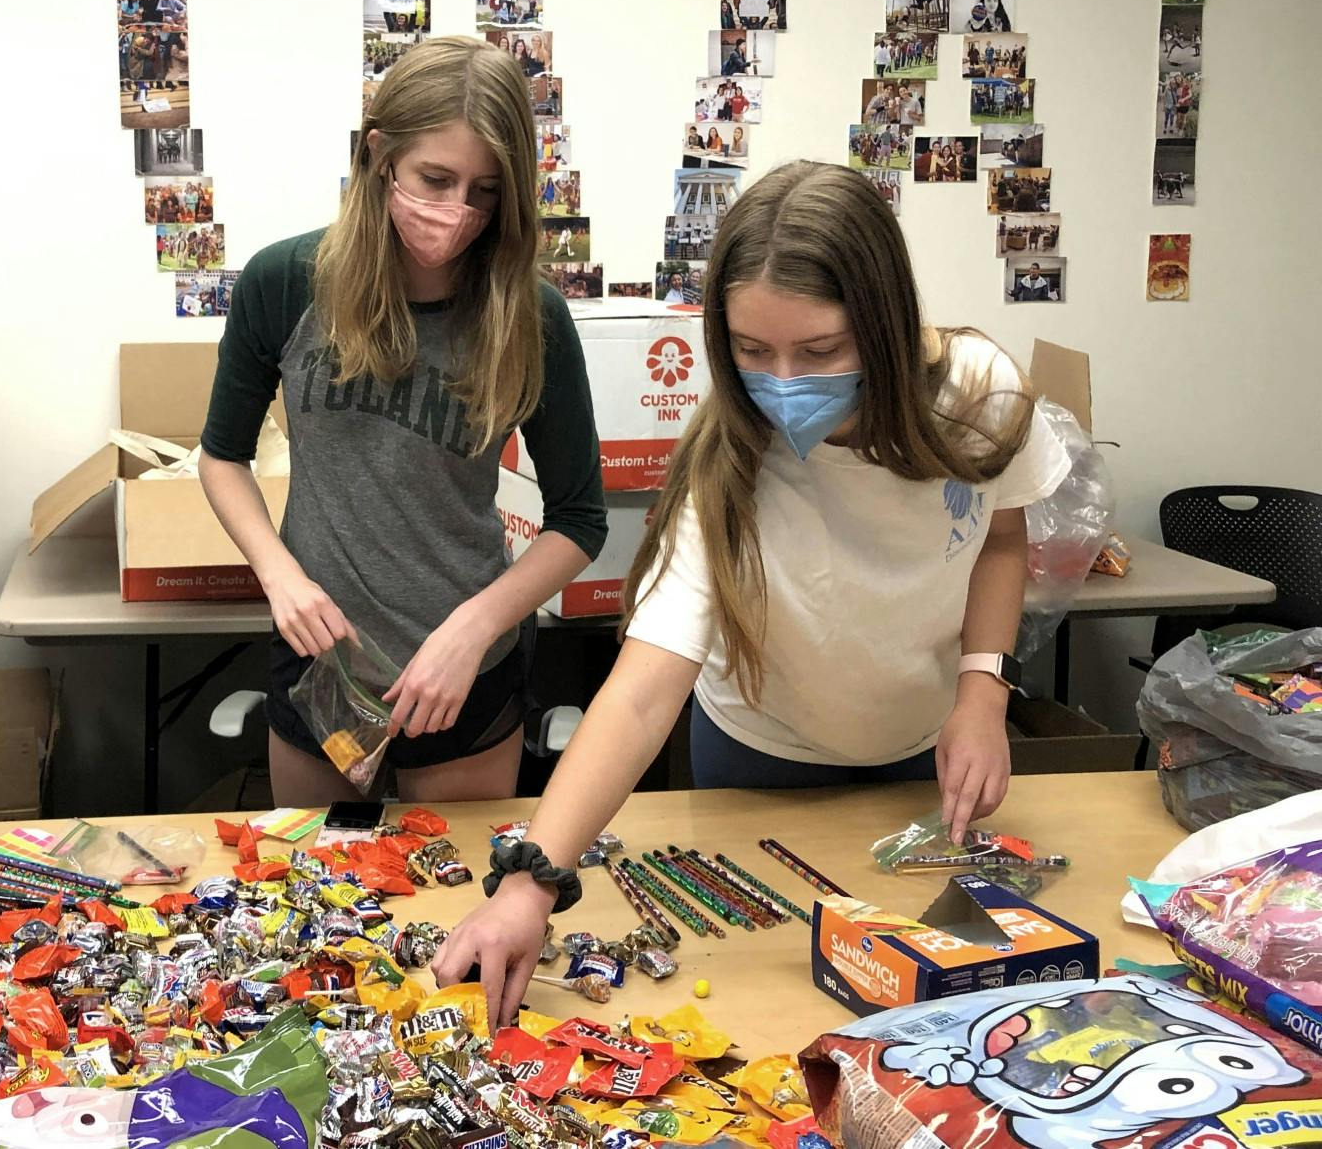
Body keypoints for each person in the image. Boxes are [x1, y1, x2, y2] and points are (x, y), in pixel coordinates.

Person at [431, 161, 1072, 1026]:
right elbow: (642, 690)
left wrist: (983, 689)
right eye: (753, 352)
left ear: (883, 323)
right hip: (760, 758)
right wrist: (529, 884)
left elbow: (1000, 537)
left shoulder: (979, 393)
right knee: (766, 998)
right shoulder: (729, 461)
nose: (785, 383)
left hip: (924, 750)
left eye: (821, 352)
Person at [197, 37, 607, 805]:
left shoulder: (531, 316)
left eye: (486, 191)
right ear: (380, 155)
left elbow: (580, 519)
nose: (458, 211)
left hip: (463, 669)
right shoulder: (285, 284)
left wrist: (474, 628)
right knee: (316, 874)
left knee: (454, 878)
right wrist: (278, 575)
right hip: (322, 661)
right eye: (435, 179)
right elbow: (222, 457)